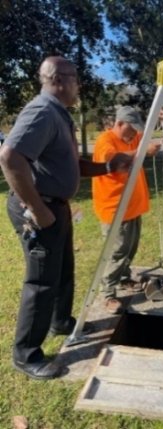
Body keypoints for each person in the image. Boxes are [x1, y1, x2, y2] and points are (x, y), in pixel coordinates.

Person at [0, 56, 133, 380]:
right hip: (39, 208)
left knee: (63, 271)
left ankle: (61, 322)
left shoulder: (59, 115)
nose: (80, 85)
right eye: (76, 79)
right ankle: (26, 354)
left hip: (56, 205)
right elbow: (10, 157)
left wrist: (107, 167)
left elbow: (69, 164)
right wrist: (39, 210)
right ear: (59, 79)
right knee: (41, 282)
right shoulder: (42, 112)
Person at [92, 106, 161, 314]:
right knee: (116, 252)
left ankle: (123, 279)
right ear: (120, 123)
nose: (134, 134)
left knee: (129, 249)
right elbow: (114, 162)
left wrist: (157, 119)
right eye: (131, 128)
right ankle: (107, 294)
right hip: (115, 209)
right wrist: (142, 151)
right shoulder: (105, 142)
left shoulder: (131, 138)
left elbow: (144, 135)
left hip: (132, 207)